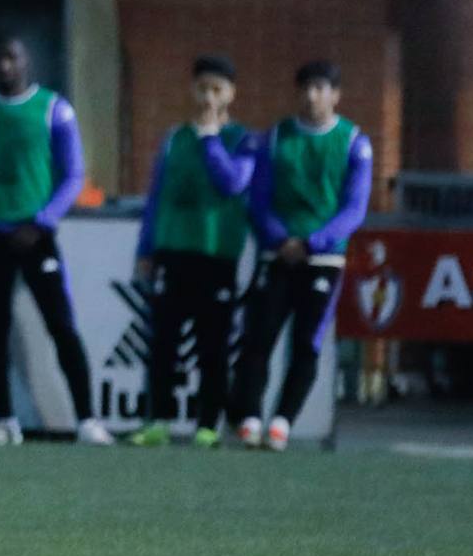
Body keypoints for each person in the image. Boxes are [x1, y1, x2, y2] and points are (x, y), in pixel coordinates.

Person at [0, 35, 112, 446]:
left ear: (26, 60)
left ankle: (87, 419)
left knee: (62, 326)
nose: (5, 66)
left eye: (12, 57)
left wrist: (44, 219)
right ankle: (5, 420)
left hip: (36, 235)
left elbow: (73, 175)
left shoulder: (54, 109)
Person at [211, 61, 373, 451]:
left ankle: (282, 421)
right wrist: (280, 238)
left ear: (336, 95)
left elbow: (354, 208)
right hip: (278, 254)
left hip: (324, 259)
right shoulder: (275, 137)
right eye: (305, 88)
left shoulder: (354, 142)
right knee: (259, 335)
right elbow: (259, 197)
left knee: (306, 341)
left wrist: (315, 241)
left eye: (320, 88)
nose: (311, 96)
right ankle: (248, 415)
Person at [129, 56, 249, 447]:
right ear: (191, 90)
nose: (208, 97)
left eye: (217, 90)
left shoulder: (244, 141)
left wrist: (211, 137)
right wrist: (146, 247)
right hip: (172, 252)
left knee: (212, 344)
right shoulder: (173, 139)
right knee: (163, 341)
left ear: (231, 94)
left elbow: (232, 183)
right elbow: (157, 196)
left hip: (215, 255)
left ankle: (208, 423)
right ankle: (158, 419)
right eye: (202, 88)